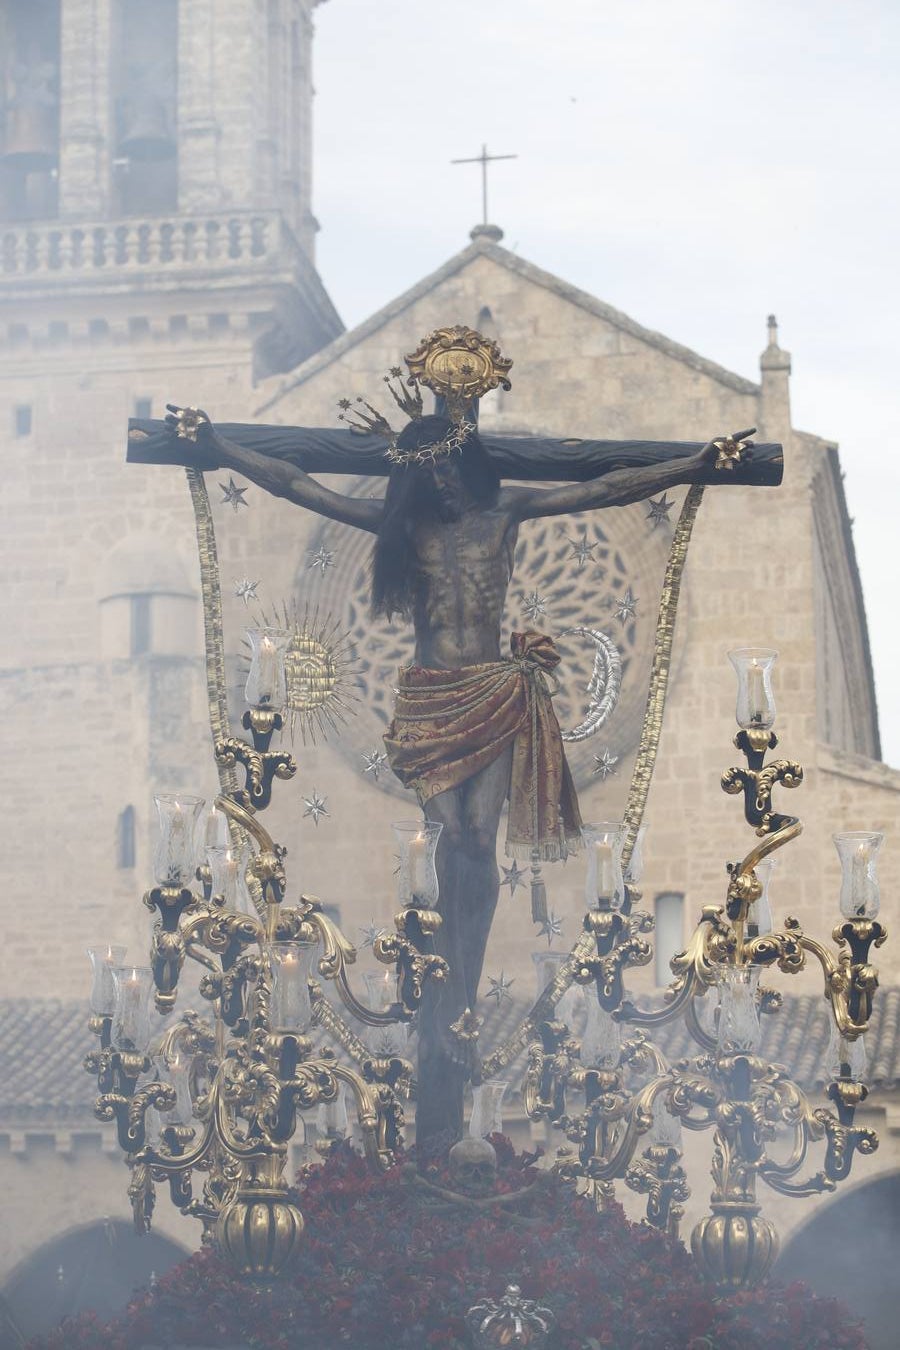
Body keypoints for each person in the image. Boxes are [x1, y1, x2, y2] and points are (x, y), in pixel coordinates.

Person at [165, 404, 738, 1147]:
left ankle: (461, 980)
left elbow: (604, 490)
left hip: (495, 692)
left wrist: (695, 466)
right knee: (443, 845)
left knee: (476, 839)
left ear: (466, 465)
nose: (439, 483)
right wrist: (217, 444)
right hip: (431, 699)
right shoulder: (405, 530)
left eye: (445, 468)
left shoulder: (506, 514)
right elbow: (299, 486)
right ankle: (440, 982)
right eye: (425, 473)